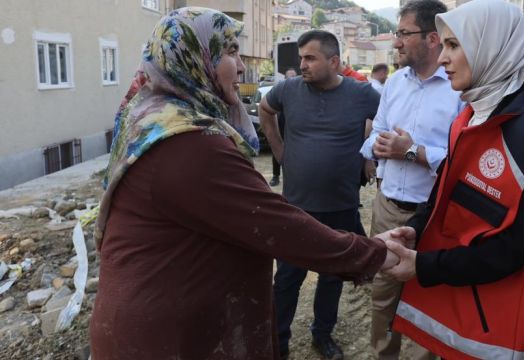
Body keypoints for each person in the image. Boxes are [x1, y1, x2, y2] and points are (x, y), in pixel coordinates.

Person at [89, 9, 399, 360]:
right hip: (169, 337)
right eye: (230, 52)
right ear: (193, 56)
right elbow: (274, 225)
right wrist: (376, 254)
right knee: (289, 282)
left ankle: (321, 333)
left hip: (157, 319)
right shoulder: (190, 144)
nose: (241, 67)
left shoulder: (152, 113)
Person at [381, 1, 524, 359]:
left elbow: (518, 248)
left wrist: (425, 266)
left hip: (498, 326)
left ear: (495, 48)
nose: (443, 58)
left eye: (455, 46)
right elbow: (445, 192)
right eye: (443, 45)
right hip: (461, 306)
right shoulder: (471, 117)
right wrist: (416, 227)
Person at [259, 30, 381, 360]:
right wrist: (279, 148)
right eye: (301, 58)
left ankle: (322, 334)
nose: (302, 65)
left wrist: (369, 154)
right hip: (296, 207)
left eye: (310, 58)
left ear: (334, 61)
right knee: (286, 279)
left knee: (331, 277)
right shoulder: (288, 89)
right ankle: (278, 341)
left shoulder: (362, 93)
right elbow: (264, 109)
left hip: (341, 206)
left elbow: (385, 121)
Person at [359, 1, 463, 359]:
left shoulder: (460, 87)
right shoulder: (395, 83)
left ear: (433, 38)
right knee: (384, 293)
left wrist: (413, 152)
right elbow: (374, 136)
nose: (397, 42)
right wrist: (380, 144)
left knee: (428, 297)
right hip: (387, 207)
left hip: (436, 215)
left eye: (403, 33)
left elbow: (464, 159)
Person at [269, 67, 297, 187]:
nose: (291, 80)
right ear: (285, 79)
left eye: (293, 77)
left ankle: (295, 176)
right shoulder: (279, 91)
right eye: (288, 77)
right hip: (281, 122)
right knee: (277, 148)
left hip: (295, 126)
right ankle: (276, 176)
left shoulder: (302, 92)